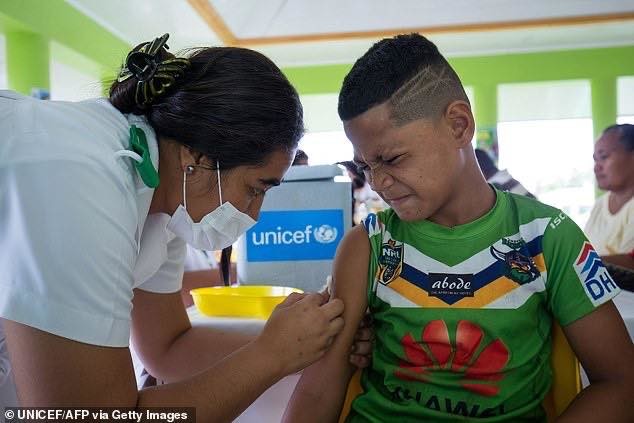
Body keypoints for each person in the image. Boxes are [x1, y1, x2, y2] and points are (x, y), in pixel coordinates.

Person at [0, 34, 371, 417]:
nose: (255, 213)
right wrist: (270, 356)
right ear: (196, 158)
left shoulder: (166, 194)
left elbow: (169, 346)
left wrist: (305, 341)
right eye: (256, 188)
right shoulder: (81, 180)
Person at [283, 34, 634, 422]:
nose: (378, 182)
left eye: (392, 158)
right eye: (366, 166)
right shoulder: (366, 245)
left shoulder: (548, 236)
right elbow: (318, 389)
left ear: (458, 124)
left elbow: (620, 381)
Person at [584, 124, 634, 270]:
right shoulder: (599, 205)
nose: (596, 167)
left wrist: (576, 263)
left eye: (604, 157)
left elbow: (631, 265)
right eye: (595, 160)